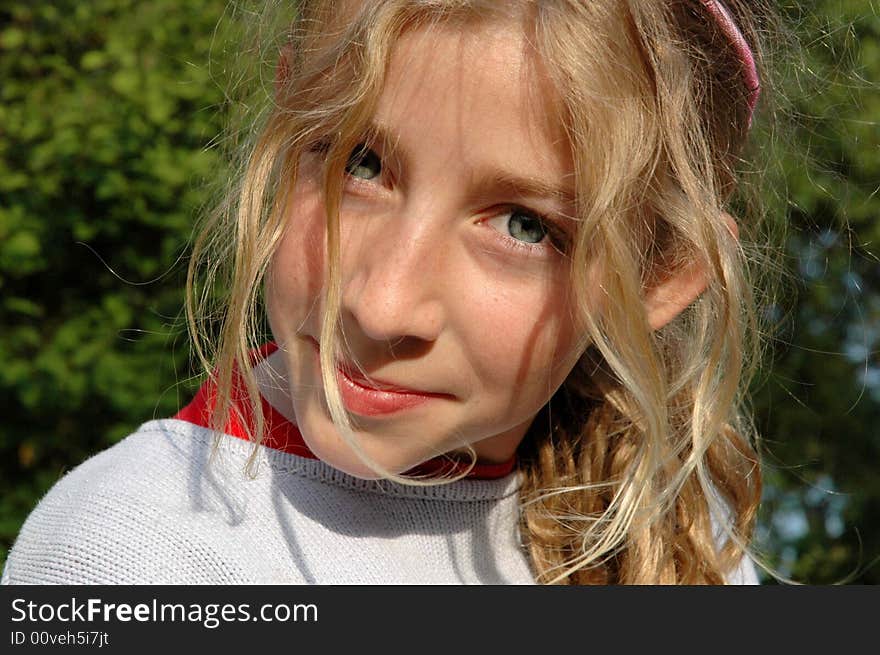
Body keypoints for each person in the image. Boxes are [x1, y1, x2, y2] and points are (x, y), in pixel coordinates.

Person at [3, 0, 774, 584]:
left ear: (660, 275)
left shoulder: (685, 538)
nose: (380, 304)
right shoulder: (129, 555)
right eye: (359, 163)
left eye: (523, 226)